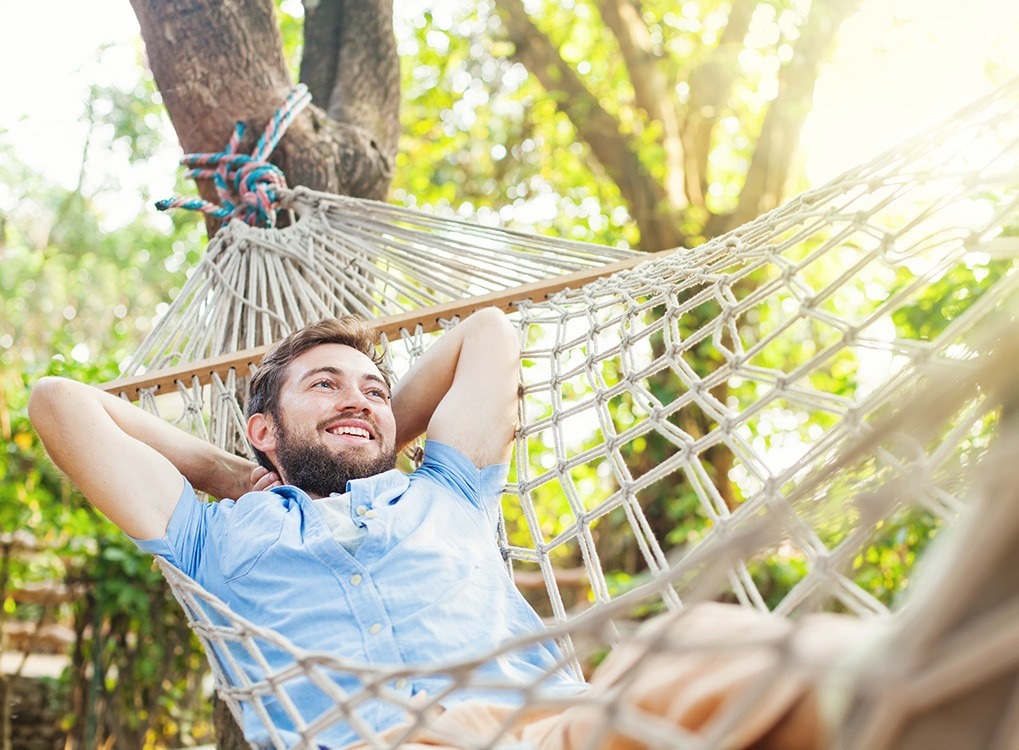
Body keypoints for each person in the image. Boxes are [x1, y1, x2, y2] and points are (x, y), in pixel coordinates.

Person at [31, 308, 964, 749]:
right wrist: (238, 473)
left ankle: (937, 692)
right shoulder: (210, 536)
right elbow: (61, 402)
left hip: (537, 734)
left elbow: (488, 334)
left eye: (372, 389)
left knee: (705, 640)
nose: (357, 398)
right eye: (324, 386)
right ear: (262, 430)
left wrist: (363, 424)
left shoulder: (448, 490)